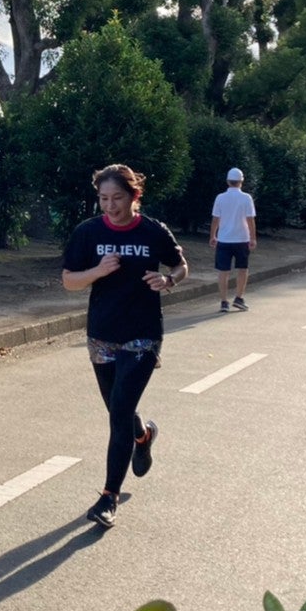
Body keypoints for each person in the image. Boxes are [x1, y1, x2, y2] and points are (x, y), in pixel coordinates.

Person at [62, 163, 188, 529]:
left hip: (143, 334)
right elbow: (69, 281)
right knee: (118, 407)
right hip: (102, 333)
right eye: (103, 198)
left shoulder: (152, 231)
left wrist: (168, 280)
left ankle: (108, 497)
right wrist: (97, 271)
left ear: (135, 196)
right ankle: (143, 436)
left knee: (119, 411)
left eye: (117, 198)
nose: (110, 206)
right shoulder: (88, 232)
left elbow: (181, 265)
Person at [210, 167, 257, 313]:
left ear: (227, 181)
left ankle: (224, 301)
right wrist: (253, 238)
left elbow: (216, 219)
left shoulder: (220, 197)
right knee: (242, 269)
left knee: (223, 271)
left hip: (224, 239)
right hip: (242, 238)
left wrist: (213, 235)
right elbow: (250, 220)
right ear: (241, 181)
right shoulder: (246, 198)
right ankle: (239, 297)